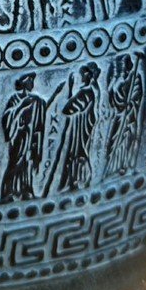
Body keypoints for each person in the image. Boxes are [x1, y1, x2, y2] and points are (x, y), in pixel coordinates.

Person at [51, 63, 100, 193]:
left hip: (80, 129)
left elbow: (68, 109)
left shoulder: (86, 93)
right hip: (77, 127)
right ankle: (73, 181)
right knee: (75, 153)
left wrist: (70, 92)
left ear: (87, 75)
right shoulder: (88, 91)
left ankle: (78, 180)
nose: (81, 77)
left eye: (82, 74)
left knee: (77, 153)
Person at [0, 73, 48, 200]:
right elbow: (7, 118)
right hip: (18, 137)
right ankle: (9, 191)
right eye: (30, 80)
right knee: (16, 162)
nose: (32, 83)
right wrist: (21, 106)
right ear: (25, 82)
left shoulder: (37, 101)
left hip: (31, 137)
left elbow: (39, 125)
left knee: (28, 162)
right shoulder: (14, 99)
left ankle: (26, 189)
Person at [106, 53, 146, 175]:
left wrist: (131, 103)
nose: (123, 69)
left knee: (127, 138)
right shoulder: (120, 81)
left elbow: (138, 95)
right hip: (119, 116)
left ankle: (124, 165)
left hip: (130, 116)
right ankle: (113, 166)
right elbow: (113, 98)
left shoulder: (135, 78)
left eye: (125, 66)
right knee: (114, 140)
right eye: (121, 66)